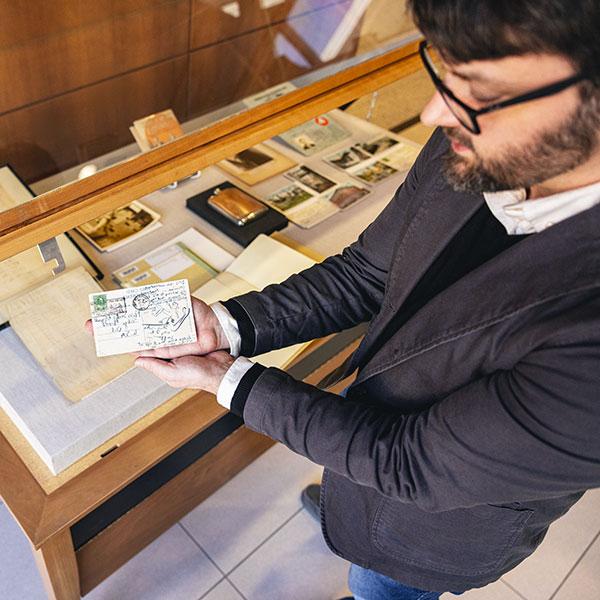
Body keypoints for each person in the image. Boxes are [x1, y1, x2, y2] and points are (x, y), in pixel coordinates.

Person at [132, 1, 600, 598]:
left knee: (378, 584)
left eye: (479, 87)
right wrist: (225, 325)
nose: (436, 110)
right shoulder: (476, 136)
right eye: (445, 69)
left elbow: (408, 464)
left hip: (434, 528)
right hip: (375, 454)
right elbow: (368, 270)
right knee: (352, 495)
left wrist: (228, 380)